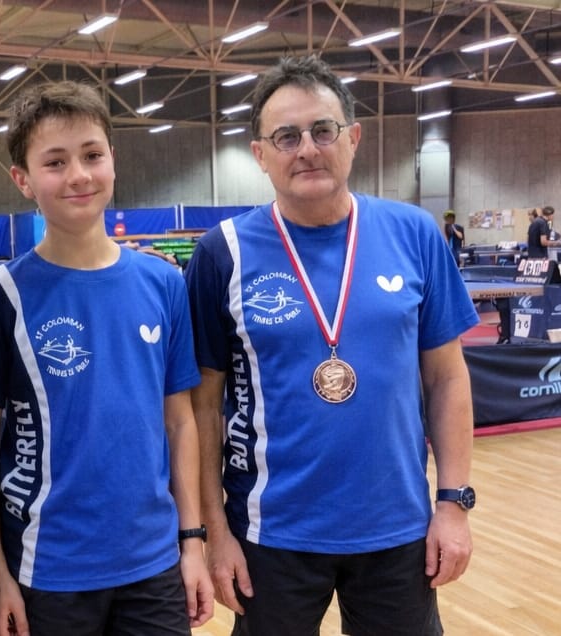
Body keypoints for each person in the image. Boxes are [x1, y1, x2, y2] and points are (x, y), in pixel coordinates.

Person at [184, 55, 478, 636]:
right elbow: (202, 406)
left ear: (353, 138)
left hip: (398, 528)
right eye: (286, 137)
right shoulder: (222, 253)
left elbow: (447, 377)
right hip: (269, 533)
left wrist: (453, 503)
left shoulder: (415, 233)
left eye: (323, 130)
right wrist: (214, 533)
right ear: (260, 153)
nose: (307, 150)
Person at [0, 80, 213, 636]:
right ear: (23, 179)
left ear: (112, 160)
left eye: (91, 155)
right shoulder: (3, 294)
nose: (78, 175)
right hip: (46, 568)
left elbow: (180, 422)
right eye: (55, 162)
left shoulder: (163, 283)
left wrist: (192, 542)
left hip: (154, 565)